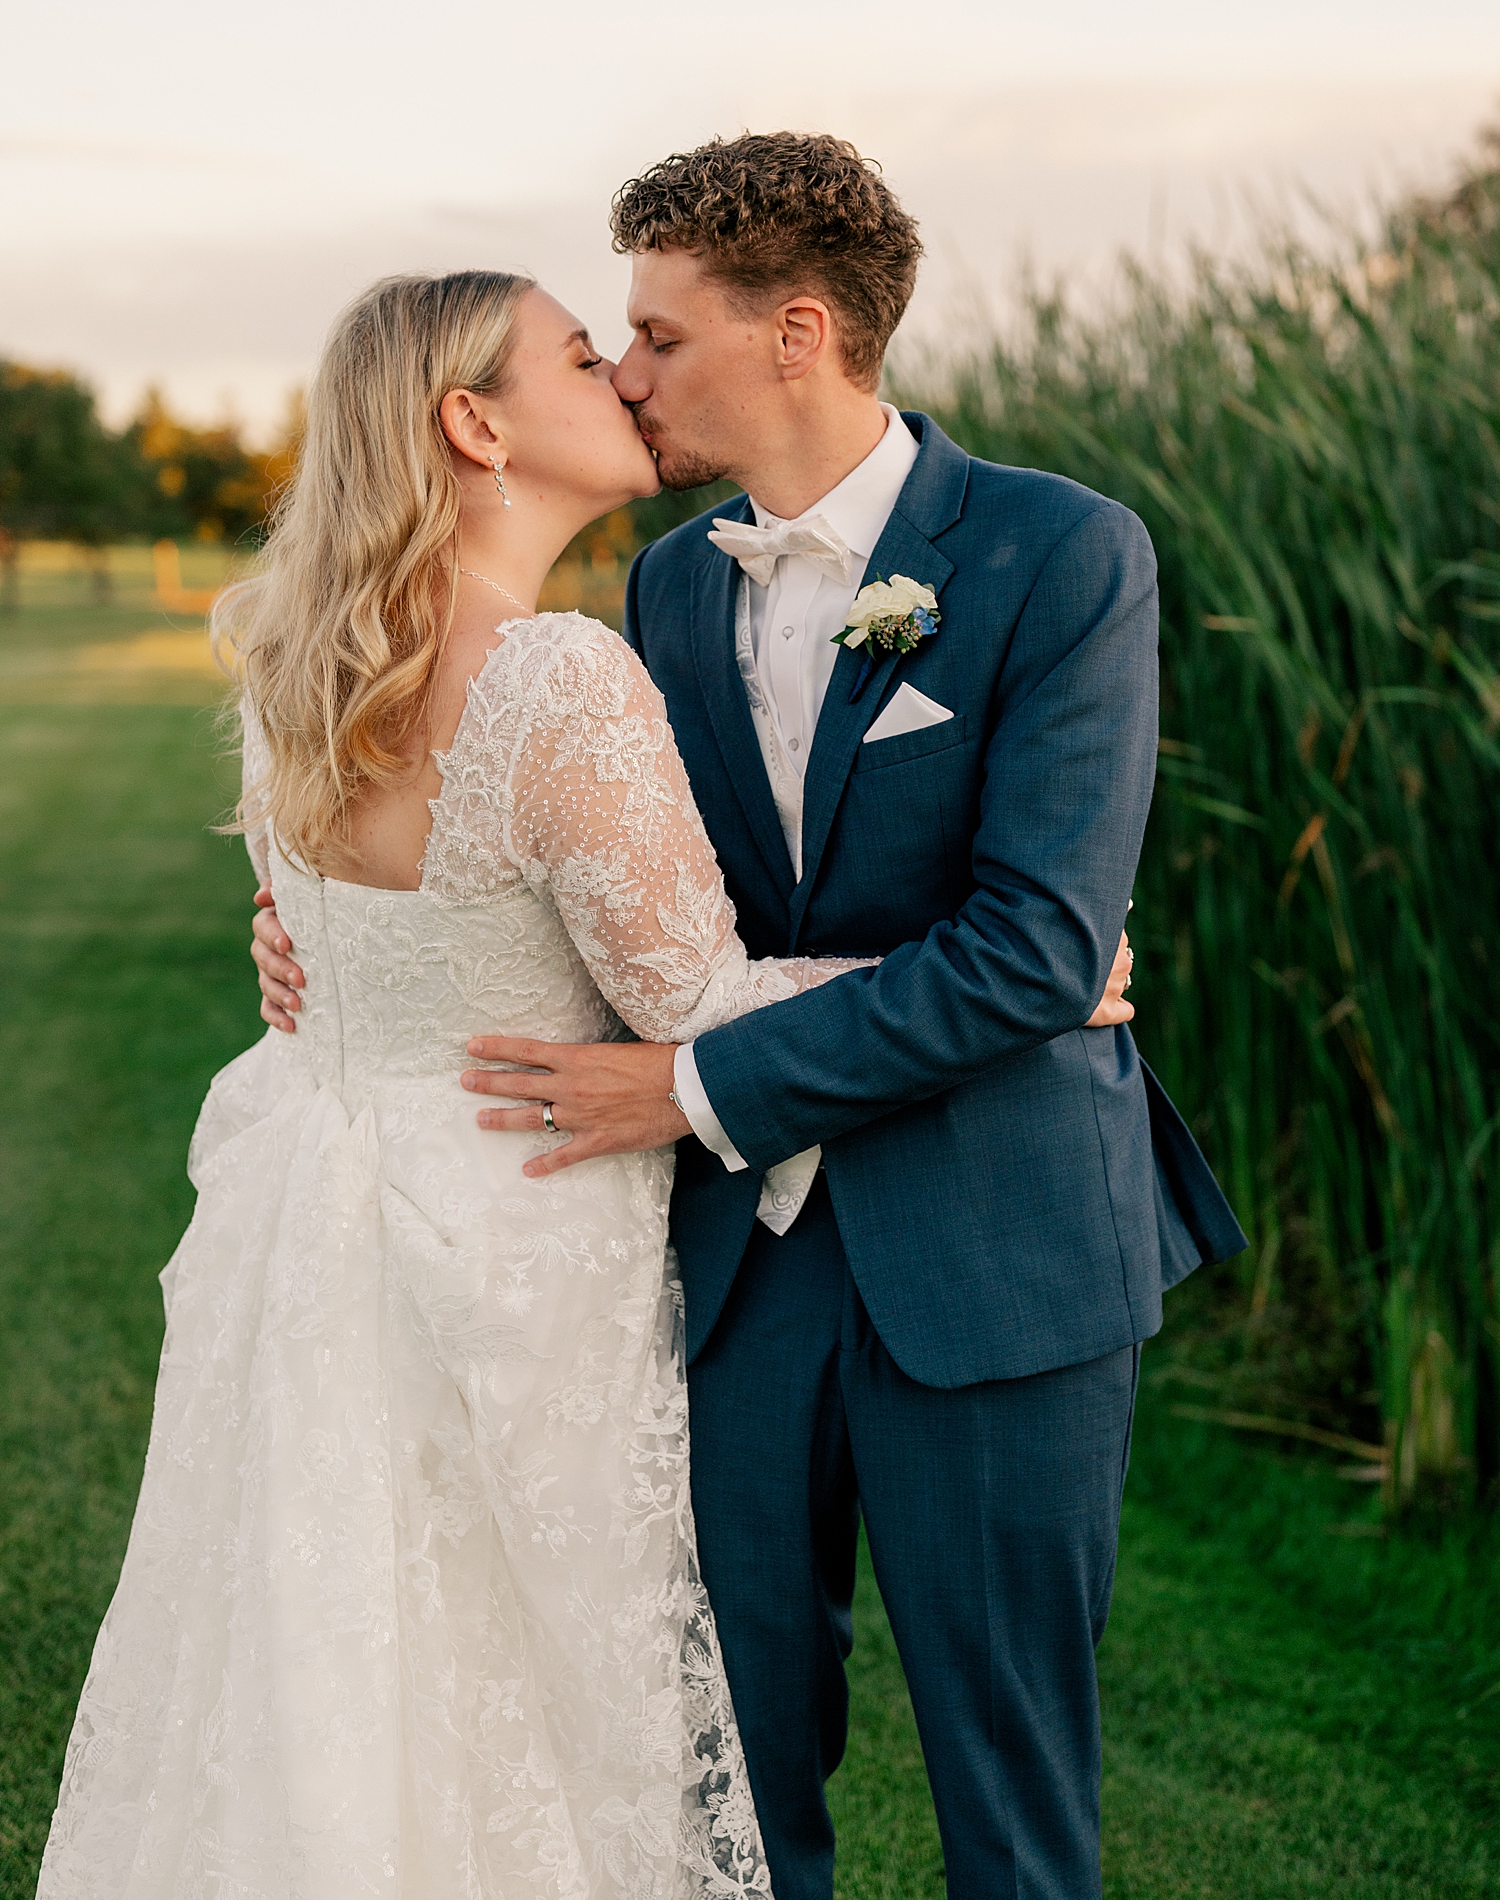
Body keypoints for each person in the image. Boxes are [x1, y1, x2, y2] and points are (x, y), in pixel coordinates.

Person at [262, 133, 1248, 1900]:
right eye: (611, 343)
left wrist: (698, 1080)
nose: (628, 374)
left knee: (1013, 1801)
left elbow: (1035, 946)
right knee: (724, 1779)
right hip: (730, 1274)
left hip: (996, 1247)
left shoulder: (1061, 553)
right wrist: (321, 940)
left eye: (654, 335)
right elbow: (607, 902)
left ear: (798, 333)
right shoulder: (659, 586)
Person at [40, 267, 990, 1899]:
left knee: (319, 1667)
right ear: (474, 424)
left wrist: (291, 967)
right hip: (512, 1233)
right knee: (524, 1700)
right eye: (577, 352)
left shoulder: (294, 651)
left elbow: (317, 932)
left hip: (319, 1232)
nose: (624, 376)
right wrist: (1001, 978)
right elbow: (694, 1004)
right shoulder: (554, 677)